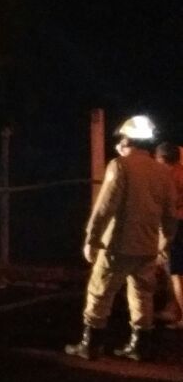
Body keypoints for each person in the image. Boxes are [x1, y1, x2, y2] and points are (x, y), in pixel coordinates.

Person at [65, 116, 177, 362]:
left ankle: (91, 344)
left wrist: (92, 239)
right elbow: (171, 214)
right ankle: (139, 346)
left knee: (100, 292)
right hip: (147, 247)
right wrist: (163, 244)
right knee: (142, 295)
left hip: (117, 245)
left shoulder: (120, 166)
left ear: (127, 140)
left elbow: (105, 207)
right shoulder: (162, 171)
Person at [154, 142, 183, 327]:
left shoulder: (167, 176)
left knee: (177, 273)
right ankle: (173, 310)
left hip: (177, 225)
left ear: (162, 159)